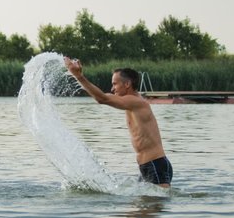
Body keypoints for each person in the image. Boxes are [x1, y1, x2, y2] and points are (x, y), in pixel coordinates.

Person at [63, 57, 172, 188]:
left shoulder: (136, 102)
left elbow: (102, 99)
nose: (112, 88)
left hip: (155, 164)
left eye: (115, 84)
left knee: (152, 206)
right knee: (139, 206)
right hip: (149, 165)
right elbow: (104, 96)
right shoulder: (131, 102)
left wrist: (79, 76)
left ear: (127, 84)